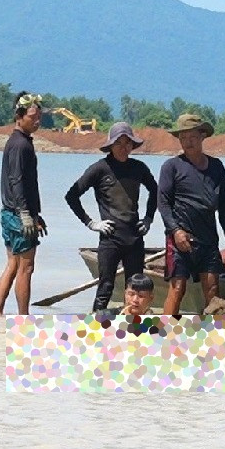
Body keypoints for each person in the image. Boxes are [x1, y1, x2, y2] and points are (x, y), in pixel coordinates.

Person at [65, 122, 158, 310]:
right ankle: (95, 332)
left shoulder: (139, 168)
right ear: (111, 146)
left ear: (132, 145)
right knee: (105, 287)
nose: (123, 148)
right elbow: (72, 195)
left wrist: (148, 219)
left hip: (134, 237)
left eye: (127, 144)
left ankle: (131, 333)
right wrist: (91, 223)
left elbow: (156, 191)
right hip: (110, 239)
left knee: (134, 292)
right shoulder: (100, 168)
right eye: (118, 144)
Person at [157, 114, 225, 316]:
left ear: (202, 136)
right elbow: (163, 203)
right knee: (178, 288)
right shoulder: (172, 167)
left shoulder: (216, 167)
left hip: (208, 239)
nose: (188, 142)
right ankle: (165, 335)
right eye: (183, 138)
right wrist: (175, 231)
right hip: (180, 239)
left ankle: (213, 338)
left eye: (192, 137)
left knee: (212, 289)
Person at [0, 91, 48, 315]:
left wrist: (37, 214)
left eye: (39, 117)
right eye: (32, 117)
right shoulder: (20, 145)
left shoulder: (19, 142)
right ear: (19, 116)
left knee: (13, 265)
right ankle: (23, 319)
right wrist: (26, 214)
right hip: (18, 216)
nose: (37, 121)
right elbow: (16, 180)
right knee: (26, 268)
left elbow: (24, 183)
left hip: (10, 212)